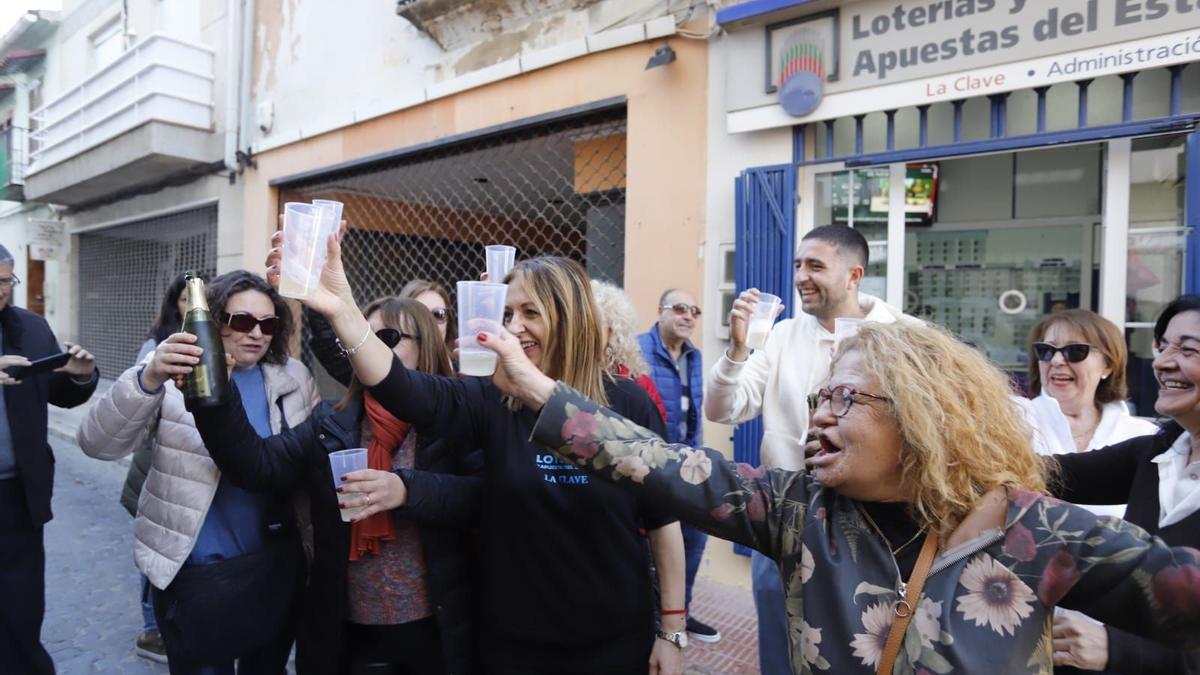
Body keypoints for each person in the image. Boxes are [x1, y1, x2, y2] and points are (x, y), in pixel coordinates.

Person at [480, 318, 1200, 674]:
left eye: (845, 398)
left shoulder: (1033, 529)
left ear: (922, 413)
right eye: (820, 397)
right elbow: (662, 463)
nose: (819, 415)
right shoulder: (801, 511)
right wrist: (539, 388)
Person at [270, 231, 686, 675]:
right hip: (513, 642)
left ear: (570, 319)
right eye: (507, 312)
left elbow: (663, 522)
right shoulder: (491, 399)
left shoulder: (629, 403)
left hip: (613, 639)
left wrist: (672, 630)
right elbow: (400, 386)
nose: (514, 325)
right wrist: (342, 310)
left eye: (531, 312)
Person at [189, 297, 481, 675]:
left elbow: (483, 499)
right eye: (361, 339)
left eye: (387, 338)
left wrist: (407, 490)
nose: (369, 350)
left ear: (425, 347)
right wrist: (217, 399)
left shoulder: (456, 420)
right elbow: (255, 466)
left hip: (437, 630)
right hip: (349, 631)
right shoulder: (333, 421)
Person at [77, 270, 320, 674]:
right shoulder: (176, 376)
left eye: (268, 323)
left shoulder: (293, 376)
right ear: (213, 321)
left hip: (274, 563)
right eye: (241, 321)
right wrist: (148, 377)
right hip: (198, 568)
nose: (256, 334)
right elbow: (97, 443)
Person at [704, 224, 912, 674]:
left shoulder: (905, 336)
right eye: (798, 264)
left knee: (867, 651)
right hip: (789, 520)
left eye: (815, 265)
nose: (801, 275)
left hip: (875, 528)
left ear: (854, 274)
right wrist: (738, 350)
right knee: (780, 653)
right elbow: (723, 410)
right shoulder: (780, 337)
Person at [1046, 295, 1200, 674]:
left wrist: (1119, 651)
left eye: (1188, 349)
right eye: (1162, 345)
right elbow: (1049, 474)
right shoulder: (1157, 452)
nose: (1163, 363)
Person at [0, 243, 98, 675]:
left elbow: (57, 394)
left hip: (17, 494)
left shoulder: (32, 327)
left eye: (6, 281)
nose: (1, 291)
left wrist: (81, 378)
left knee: (21, 605)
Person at [1022, 309, 1159, 518]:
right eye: (1046, 350)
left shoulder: (1144, 436)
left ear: (1108, 365)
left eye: (1075, 351)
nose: (1057, 360)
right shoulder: (1013, 419)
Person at [638, 288, 718, 643]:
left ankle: (679, 614)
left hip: (685, 465)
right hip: (647, 464)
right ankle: (651, 617)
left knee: (695, 536)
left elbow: (694, 412)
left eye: (695, 311)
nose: (688, 316)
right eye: (680, 308)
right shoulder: (639, 348)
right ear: (661, 311)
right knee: (650, 545)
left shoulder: (694, 356)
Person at [125, 272, 190, 664]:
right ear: (173, 303)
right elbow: (137, 402)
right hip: (157, 460)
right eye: (183, 300)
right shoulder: (156, 344)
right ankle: (152, 628)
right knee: (157, 544)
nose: (189, 307)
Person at [591, 279, 666, 424]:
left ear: (613, 330)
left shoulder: (639, 383)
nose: (585, 329)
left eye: (594, 321)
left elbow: (655, 436)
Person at [400, 279, 455, 347]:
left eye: (438, 315)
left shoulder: (461, 356)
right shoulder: (388, 356)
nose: (430, 324)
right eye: (419, 315)